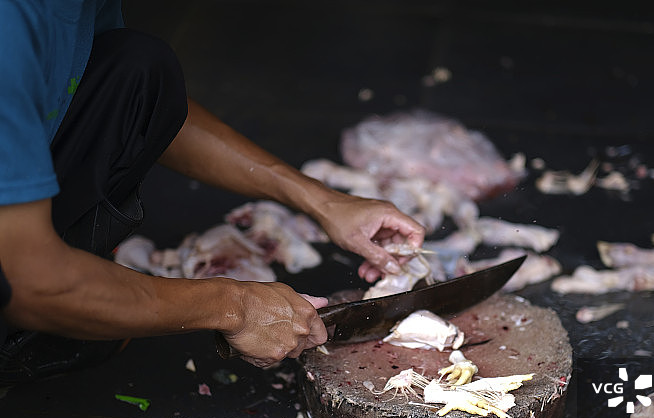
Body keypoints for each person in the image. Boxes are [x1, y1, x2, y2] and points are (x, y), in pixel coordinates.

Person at [0, 1, 425, 382]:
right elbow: (29, 281)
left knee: (139, 66)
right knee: (37, 292)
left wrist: (324, 201)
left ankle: (68, 312)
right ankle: (43, 323)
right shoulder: (10, 26)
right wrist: (233, 306)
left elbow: (152, 111)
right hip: (23, 275)